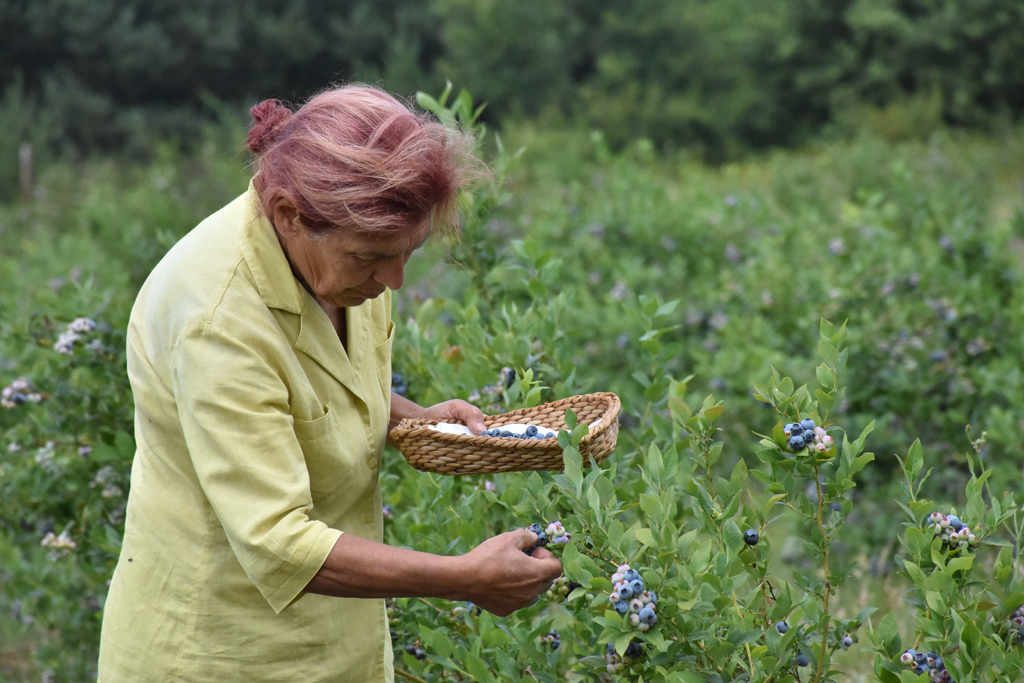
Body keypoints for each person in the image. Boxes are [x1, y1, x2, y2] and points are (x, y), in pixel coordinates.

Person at [97, 85, 563, 682]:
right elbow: (278, 542)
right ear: (290, 215)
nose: (392, 279)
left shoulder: (336, 262)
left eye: (409, 253)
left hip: (338, 644)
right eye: (372, 257)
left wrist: (410, 418)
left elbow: (314, 389)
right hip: (223, 651)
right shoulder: (216, 320)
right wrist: (466, 577)